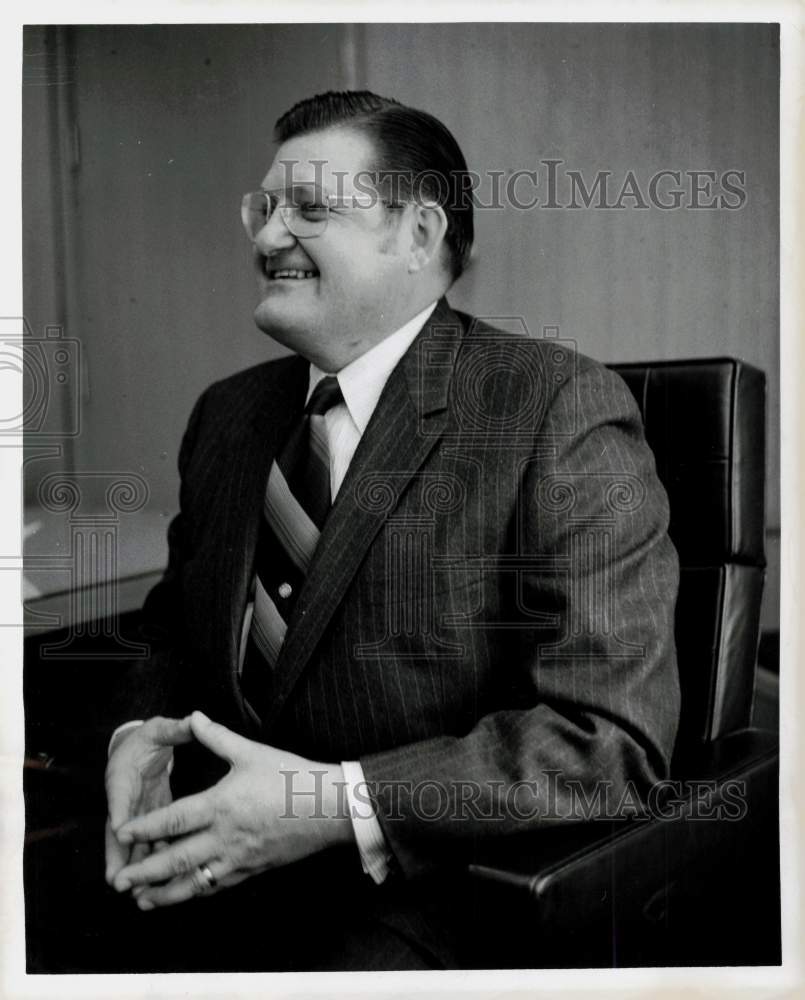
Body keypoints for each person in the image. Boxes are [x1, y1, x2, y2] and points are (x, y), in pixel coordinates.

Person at [103, 90, 680, 971]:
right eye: (263, 209)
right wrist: (137, 734)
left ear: (416, 234)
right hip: (203, 866)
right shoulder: (227, 416)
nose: (264, 239)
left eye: (308, 209)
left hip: (431, 892)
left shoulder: (553, 406)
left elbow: (608, 744)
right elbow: (172, 629)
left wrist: (333, 807)